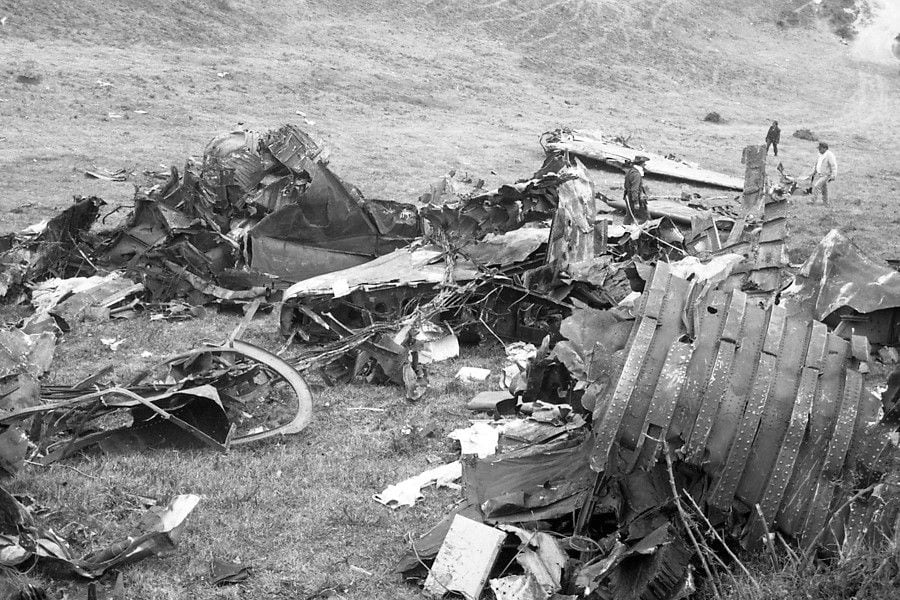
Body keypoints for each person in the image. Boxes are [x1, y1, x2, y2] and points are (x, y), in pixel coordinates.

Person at [623, 155, 649, 224]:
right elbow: (635, 189)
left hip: (629, 196)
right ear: (642, 164)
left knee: (629, 216)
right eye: (644, 163)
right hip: (635, 198)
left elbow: (626, 185)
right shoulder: (636, 174)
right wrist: (636, 202)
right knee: (645, 218)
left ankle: (625, 229)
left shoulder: (630, 171)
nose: (645, 165)